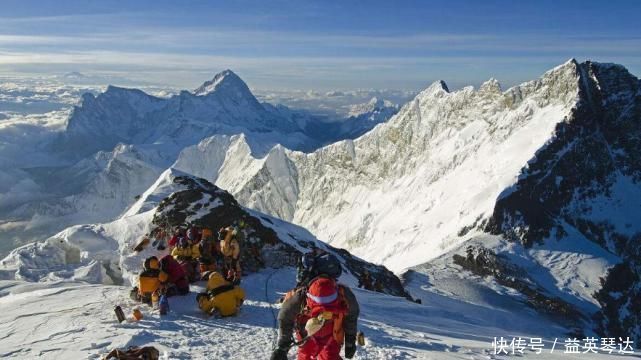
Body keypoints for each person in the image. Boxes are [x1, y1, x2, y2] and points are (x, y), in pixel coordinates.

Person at [272, 251, 360, 360]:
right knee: (329, 356)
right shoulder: (343, 293)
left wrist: (282, 346)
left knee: (305, 355)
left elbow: (285, 316)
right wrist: (350, 341)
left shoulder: (300, 294)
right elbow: (351, 316)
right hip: (332, 337)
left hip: (306, 336)